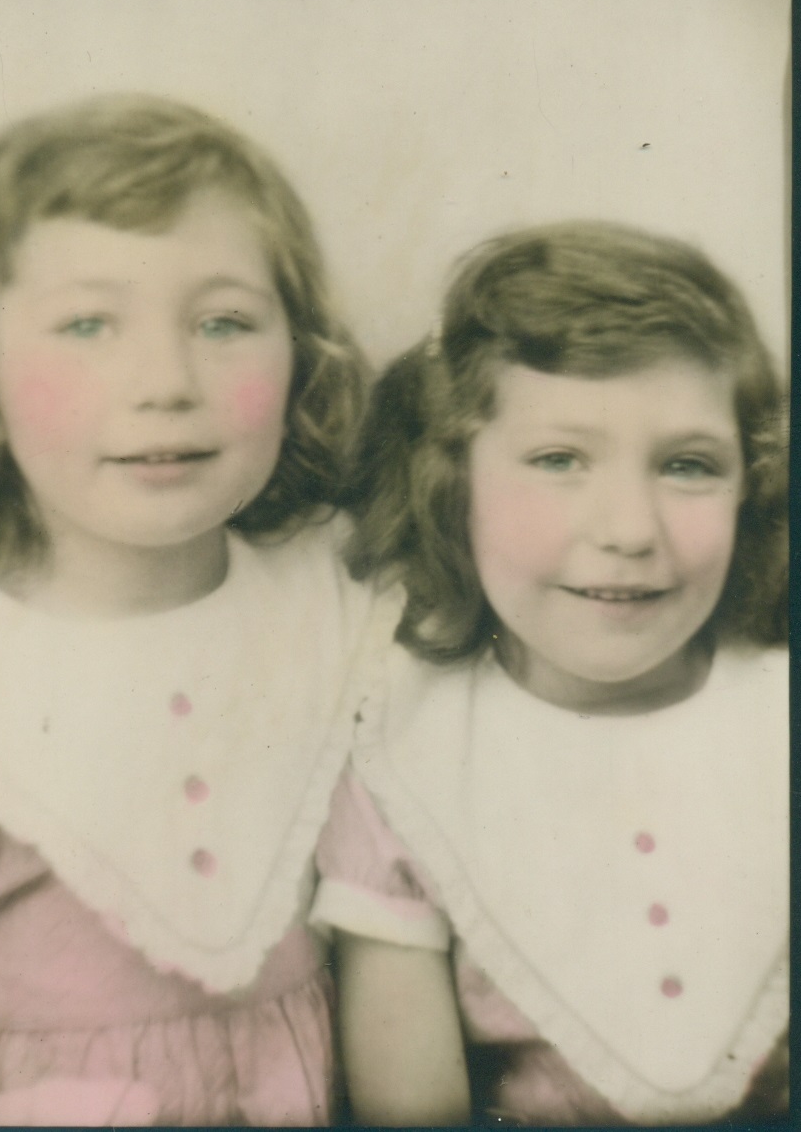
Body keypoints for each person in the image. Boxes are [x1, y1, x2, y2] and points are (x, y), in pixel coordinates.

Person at [0, 93, 380, 1126]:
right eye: (88, 325)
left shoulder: (336, 608)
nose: (164, 382)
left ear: (298, 355)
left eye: (223, 322)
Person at [312, 222, 789, 1125]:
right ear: (454, 483)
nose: (628, 529)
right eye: (558, 460)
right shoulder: (404, 754)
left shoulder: (774, 713)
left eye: (687, 465)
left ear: (749, 485)